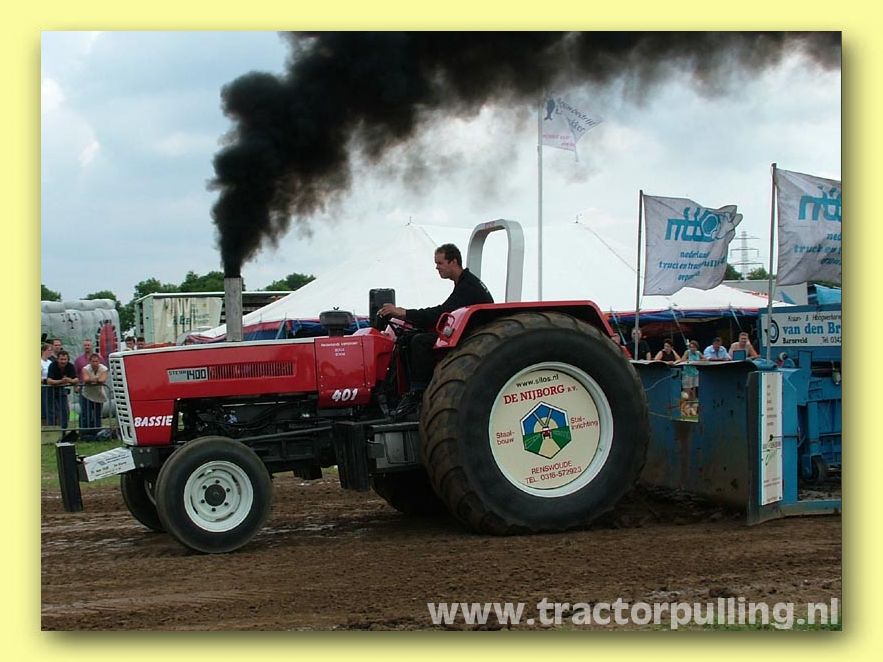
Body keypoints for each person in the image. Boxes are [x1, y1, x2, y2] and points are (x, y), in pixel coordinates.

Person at [378, 243, 493, 418]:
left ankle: (418, 393)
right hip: (467, 333)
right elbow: (445, 312)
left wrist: (404, 313)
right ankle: (403, 393)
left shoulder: (468, 287)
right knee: (407, 339)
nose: (436, 267)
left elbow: (441, 313)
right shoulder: (464, 283)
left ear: (453, 262)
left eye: (440, 263)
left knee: (420, 342)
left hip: (473, 338)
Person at [46, 350, 78, 429]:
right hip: (51, 390)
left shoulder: (70, 366)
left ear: (68, 359)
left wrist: (69, 380)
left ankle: (64, 429)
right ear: (57, 359)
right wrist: (61, 381)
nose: (63, 361)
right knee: (51, 411)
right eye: (61, 359)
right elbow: (49, 381)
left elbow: (76, 379)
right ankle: (52, 430)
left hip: (62, 390)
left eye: (65, 359)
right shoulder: (52, 365)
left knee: (65, 411)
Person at [80, 353, 109, 440]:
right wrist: (97, 379)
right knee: (86, 415)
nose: (95, 363)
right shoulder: (85, 368)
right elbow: (86, 379)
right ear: (90, 362)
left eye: (96, 361)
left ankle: (97, 433)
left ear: (99, 361)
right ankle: (84, 434)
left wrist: (92, 379)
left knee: (97, 415)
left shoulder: (104, 368)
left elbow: (102, 380)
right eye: (93, 361)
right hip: (86, 394)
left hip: (98, 395)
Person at [678, 339, 703, 404]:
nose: (692, 349)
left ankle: (692, 405)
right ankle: (685, 405)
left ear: (696, 348)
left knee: (693, 390)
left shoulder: (698, 353)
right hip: (687, 373)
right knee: (687, 392)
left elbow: (705, 359)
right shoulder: (687, 352)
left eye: (694, 347)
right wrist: (688, 360)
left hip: (695, 373)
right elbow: (682, 360)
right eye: (691, 347)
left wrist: (698, 361)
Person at [41, 343, 53, 425]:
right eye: (49, 350)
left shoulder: (50, 362)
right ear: (43, 351)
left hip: (50, 387)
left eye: (51, 350)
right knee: (43, 407)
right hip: (43, 387)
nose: (50, 352)